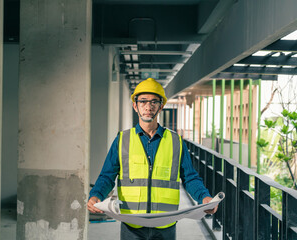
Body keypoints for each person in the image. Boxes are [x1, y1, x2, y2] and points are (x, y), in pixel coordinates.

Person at [87, 78, 218, 240]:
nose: (148, 107)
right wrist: (96, 195)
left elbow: (190, 177)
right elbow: (107, 176)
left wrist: (204, 197)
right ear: (135, 106)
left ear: (161, 106)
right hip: (132, 224)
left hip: (165, 224)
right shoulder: (122, 140)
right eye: (143, 101)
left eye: (154, 102)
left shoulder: (175, 141)